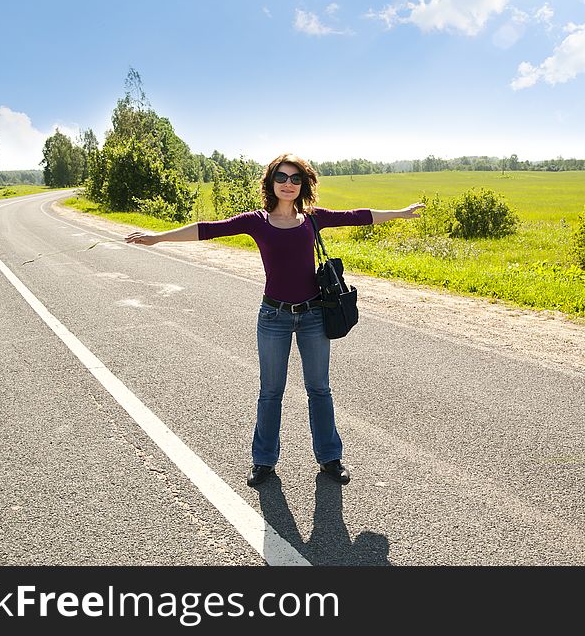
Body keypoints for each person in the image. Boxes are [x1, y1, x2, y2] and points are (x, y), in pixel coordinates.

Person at [125, 153, 423, 487]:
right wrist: (158, 237)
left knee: (319, 389)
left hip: (312, 315)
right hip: (273, 317)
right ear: (271, 182)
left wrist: (401, 214)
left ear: (303, 184)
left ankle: (330, 458)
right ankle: (264, 462)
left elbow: (357, 216)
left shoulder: (312, 219)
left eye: (296, 179)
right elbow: (207, 229)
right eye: (282, 177)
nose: (288, 184)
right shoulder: (257, 221)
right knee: (270, 391)